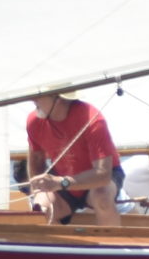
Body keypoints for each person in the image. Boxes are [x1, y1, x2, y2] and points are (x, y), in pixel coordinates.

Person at [24, 89, 120, 226]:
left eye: (38, 95)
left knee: (102, 197)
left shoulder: (92, 119)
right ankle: (59, 247)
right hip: (63, 177)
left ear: (58, 99)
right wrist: (37, 190)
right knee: (41, 210)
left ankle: (113, 244)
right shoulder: (33, 121)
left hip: (101, 178)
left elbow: (103, 175)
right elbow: (37, 160)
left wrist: (60, 183)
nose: (32, 99)